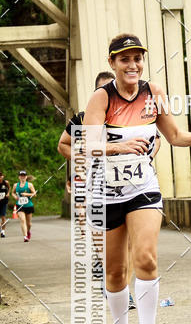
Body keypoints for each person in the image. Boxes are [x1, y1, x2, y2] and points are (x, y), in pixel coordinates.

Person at [83, 33, 191, 324]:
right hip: (107, 192)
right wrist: (118, 147)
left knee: (146, 258)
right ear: (112, 63)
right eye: (125, 59)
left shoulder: (153, 92)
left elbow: (174, 135)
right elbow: (87, 145)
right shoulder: (101, 98)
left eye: (137, 58)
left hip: (143, 188)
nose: (133, 64)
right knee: (115, 272)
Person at [59, 69, 161, 309]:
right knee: (107, 249)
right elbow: (63, 145)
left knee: (135, 246)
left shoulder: (137, 115)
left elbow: (157, 138)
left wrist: (146, 157)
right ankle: (111, 277)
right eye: (106, 90)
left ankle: (122, 287)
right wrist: (84, 156)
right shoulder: (84, 118)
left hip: (135, 186)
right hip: (98, 187)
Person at [12, 171, 36, 242]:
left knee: (29, 224)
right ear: (19, 177)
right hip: (20, 205)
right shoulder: (15, 185)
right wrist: (15, 197)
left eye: (24, 175)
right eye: (21, 175)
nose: (22, 177)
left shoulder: (29, 185)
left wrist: (26, 194)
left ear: (26, 177)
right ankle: (25, 236)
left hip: (29, 205)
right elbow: (12, 193)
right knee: (22, 220)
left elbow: (34, 194)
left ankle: (28, 231)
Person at [0, 172, 10, 237]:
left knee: (3, 217)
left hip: (4, 202)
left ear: (3, 176)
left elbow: (9, 188)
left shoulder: (6, 182)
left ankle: (3, 231)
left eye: (1, 176)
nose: (0, 177)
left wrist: (8, 193)